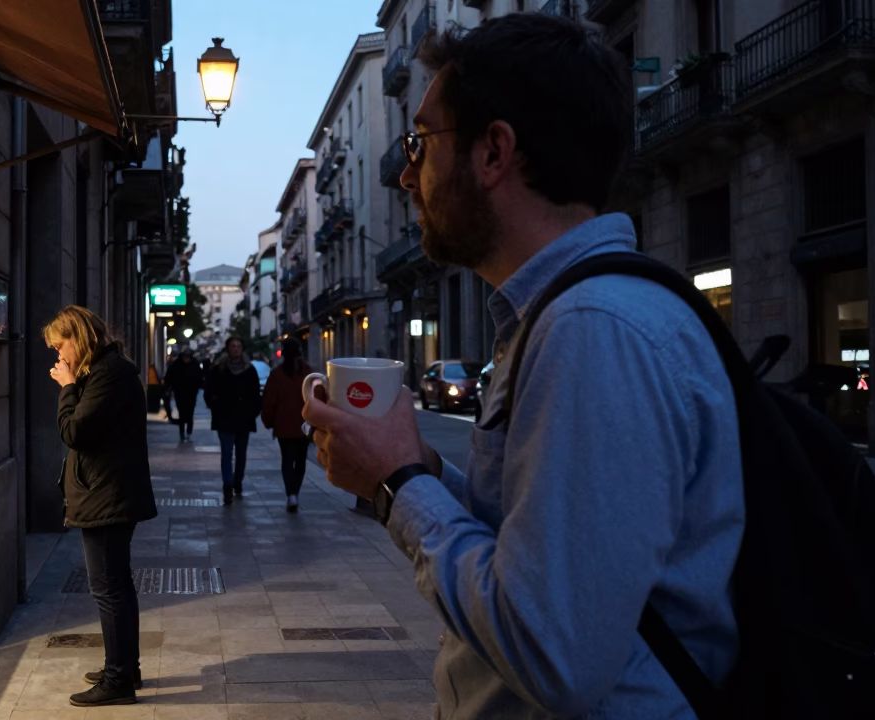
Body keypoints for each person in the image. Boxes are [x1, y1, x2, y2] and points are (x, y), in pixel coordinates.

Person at [302, 16, 744, 720]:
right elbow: (531, 537)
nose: (407, 175)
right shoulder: (562, 316)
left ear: (493, 152)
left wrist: (397, 483)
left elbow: (554, 650)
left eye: (422, 142)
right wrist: (414, 460)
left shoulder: (592, 330)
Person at [44, 306, 158, 708]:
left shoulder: (108, 374)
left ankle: (119, 679)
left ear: (78, 337)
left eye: (61, 346)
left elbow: (74, 431)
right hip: (107, 492)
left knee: (108, 588)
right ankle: (125, 666)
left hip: (107, 496)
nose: (59, 357)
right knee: (117, 586)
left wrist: (67, 386)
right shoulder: (109, 371)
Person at [203, 336, 261, 506]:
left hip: (244, 419)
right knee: (227, 454)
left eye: (238, 346)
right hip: (225, 418)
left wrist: (252, 412)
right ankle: (227, 486)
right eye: (233, 346)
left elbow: (256, 395)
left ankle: (238, 481)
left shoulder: (250, 370)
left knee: (241, 454)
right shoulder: (219, 369)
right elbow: (209, 391)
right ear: (227, 348)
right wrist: (216, 406)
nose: (236, 349)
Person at [260, 338, 313, 513]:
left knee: (287, 460)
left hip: (283, 426)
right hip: (304, 425)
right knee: (300, 461)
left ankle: (291, 494)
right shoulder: (308, 373)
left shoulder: (277, 374)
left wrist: (268, 421)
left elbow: (269, 401)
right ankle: (295, 493)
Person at [163, 347, 203, 442]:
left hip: (191, 392)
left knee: (189, 413)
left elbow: (199, 377)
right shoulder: (177, 365)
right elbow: (169, 377)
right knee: (182, 412)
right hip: (179, 392)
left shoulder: (193, 365)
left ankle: (188, 433)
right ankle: (182, 433)